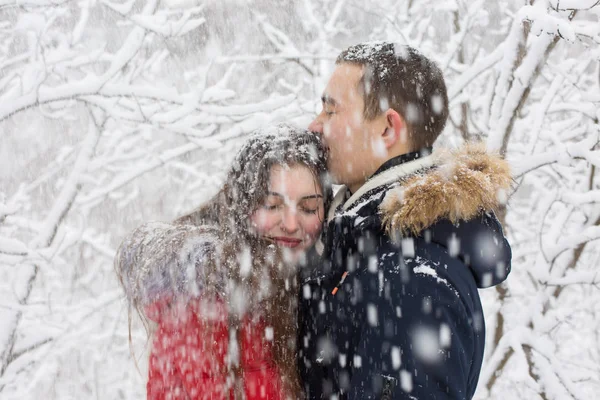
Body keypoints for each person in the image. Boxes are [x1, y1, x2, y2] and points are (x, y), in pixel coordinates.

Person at [298, 42, 513, 399]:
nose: (315, 124)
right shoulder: (369, 245)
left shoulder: (407, 277)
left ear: (387, 129)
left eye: (330, 110)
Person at [114, 125, 331, 400]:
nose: (290, 224)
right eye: (272, 205)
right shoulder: (210, 304)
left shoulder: (313, 288)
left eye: (308, 208)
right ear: (243, 207)